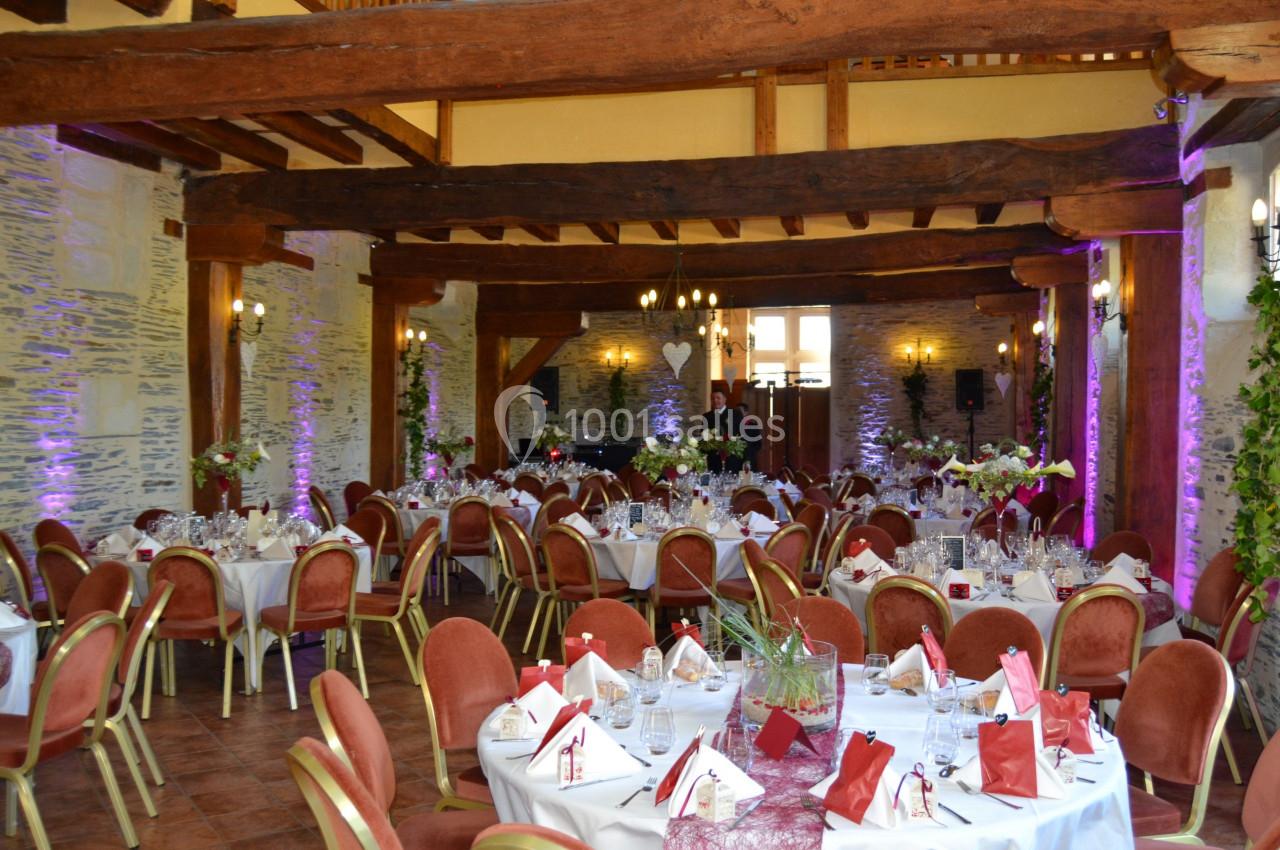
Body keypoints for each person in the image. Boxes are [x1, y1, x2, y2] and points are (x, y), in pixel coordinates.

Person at [701, 390, 740, 473]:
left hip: (732, 459)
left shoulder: (735, 414)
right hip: (713, 459)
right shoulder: (706, 417)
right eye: (713, 398)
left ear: (725, 399)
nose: (715, 400)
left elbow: (741, 435)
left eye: (718, 398)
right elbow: (703, 438)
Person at [736, 402, 762, 471]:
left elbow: (758, 444)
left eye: (739, 411)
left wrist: (749, 453)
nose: (737, 413)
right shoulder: (732, 426)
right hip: (735, 460)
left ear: (746, 412)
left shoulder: (752, 425)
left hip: (749, 458)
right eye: (736, 411)